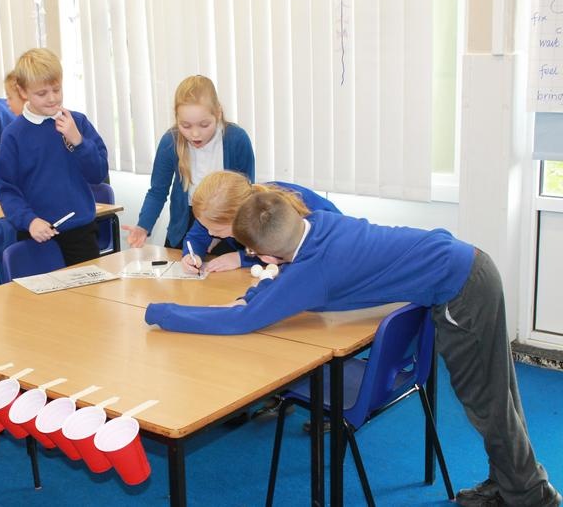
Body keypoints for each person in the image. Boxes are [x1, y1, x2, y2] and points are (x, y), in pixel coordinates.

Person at [146, 191, 561, 507]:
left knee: (488, 403)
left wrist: (159, 311)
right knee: (499, 395)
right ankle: (512, 482)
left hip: (463, 291)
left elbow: (242, 321)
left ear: (265, 254)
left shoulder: (314, 272)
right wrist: (257, 294)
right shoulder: (319, 224)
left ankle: (532, 496)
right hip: (468, 265)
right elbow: (283, 285)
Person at [0, 48, 108, 266]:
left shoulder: (77, 122)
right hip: (37, 235)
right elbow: (7, 189)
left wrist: (79, 141)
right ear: (23, 91)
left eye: (56, 89)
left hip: (81, 232)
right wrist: (29, 221)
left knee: (89, 288)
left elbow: (98, 173)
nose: (52, 98)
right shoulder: (13, 135)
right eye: (42, 93)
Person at [122, 75, 255, 250]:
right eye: (186, 126)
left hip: (226, 224)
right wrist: (143, 226)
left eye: (204, 125)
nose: (195, 134)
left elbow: (246, 194)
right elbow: (157, 191)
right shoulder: (170, 141)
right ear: (177, 119)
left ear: (218, 113)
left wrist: (219, 237)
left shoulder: (236, 139)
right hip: (184, 225)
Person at [181, 170, 341, 274]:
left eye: (217, 230)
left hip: (333, 254)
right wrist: (191, 255)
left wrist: (241, 258)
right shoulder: (213, 211)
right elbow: (196, 237)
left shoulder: (271, 214)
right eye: (206, 227)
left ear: (239, 218)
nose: (210, 233)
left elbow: (287, 251)